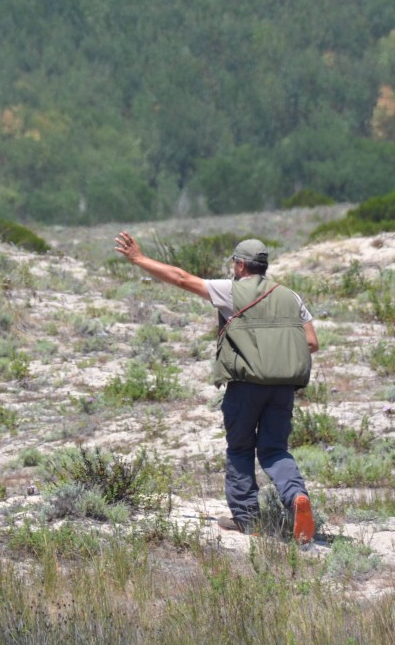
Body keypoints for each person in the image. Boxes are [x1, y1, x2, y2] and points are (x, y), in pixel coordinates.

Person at [114, 232, 319, 543]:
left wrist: (139, 259)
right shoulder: (291, 297)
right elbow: (312, 342)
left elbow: (181, 278)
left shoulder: (230, 291)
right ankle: (296, 497)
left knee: (240, 448)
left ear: (240, 265)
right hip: (283, 388)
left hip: (246, 386)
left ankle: (247, 519)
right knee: (275, 449)